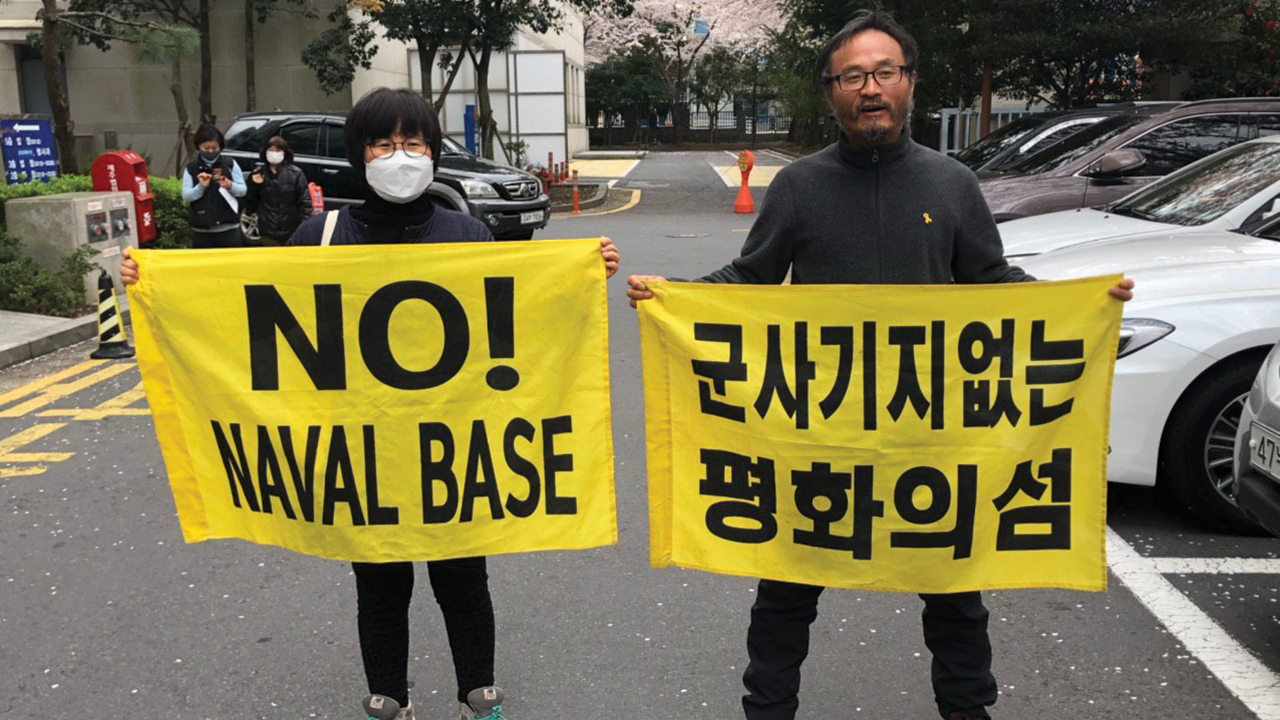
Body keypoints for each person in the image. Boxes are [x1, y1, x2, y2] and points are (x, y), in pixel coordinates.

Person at [626, 11, 1133, 720]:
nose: (871, 89)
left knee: (956, 597)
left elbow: (992, 284)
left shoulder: (952, 184)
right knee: (785, 596)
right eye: (853, 76)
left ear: (910, 84)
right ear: (831, 92)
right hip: (815, 440)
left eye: (885, 73)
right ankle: (767, 709)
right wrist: (670, 298)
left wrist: (1080, 308)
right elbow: (750, 277)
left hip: (930, 436)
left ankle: (967, 711)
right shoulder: (799, 188)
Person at [124, 87, 620, 720]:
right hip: (363, 457)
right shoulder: (319, 235)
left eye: (413, 143)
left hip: (454, 453)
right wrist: (159, 287)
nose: (400, 155)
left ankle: (481, 695)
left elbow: (526, 318)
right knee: (379, 585)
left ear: (434, 153)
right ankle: (389, 699)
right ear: (361, 155)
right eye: (384, 143)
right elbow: (247, 309)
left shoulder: (468, 235)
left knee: (463, 579)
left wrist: (582, 274)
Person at [183, 124, 247, 249]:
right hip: (202, 232)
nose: (211, 151)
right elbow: (186, 196)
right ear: (198, 146)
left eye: (215, 148)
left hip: (229, 230)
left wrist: (230, 186)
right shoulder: (191, 167)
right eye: (206, 148)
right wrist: (200, 187)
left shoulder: (229, 163)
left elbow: (243, 190)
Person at [245, 136, 311, 246]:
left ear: (284, 153)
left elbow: (305, 202)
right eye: (271, 150)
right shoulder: (258, 174)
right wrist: (255, 185)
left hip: (291, 231)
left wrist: (305, 227)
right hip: (268, 232)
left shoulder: (295, 174)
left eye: (278, 150)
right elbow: (250, 206)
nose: (274, 153)